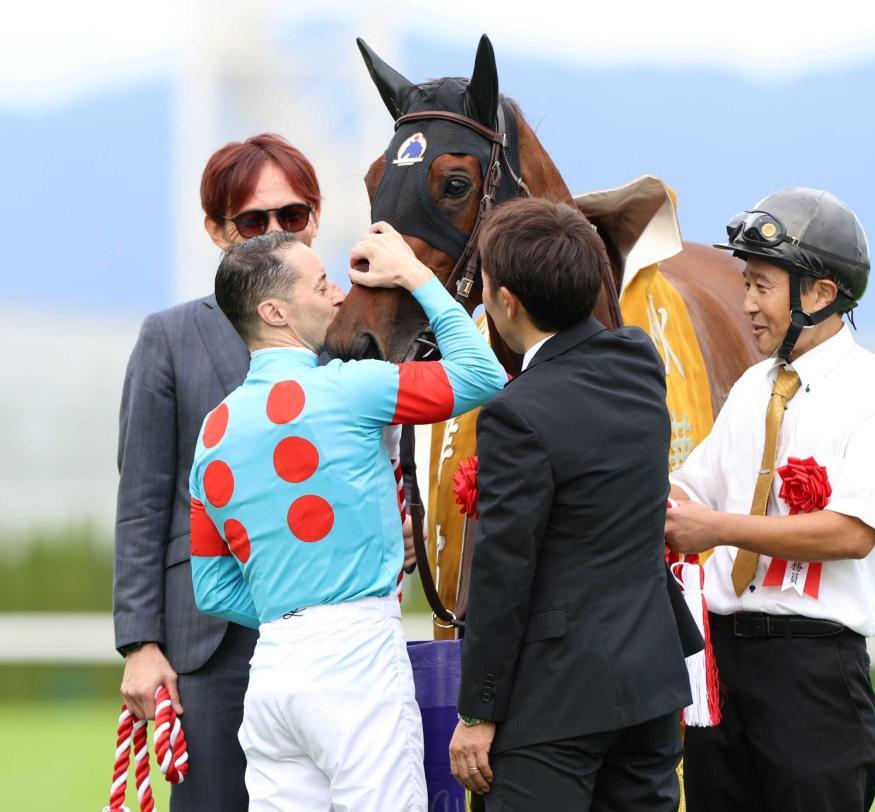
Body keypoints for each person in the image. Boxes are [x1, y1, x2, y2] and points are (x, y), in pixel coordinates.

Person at [189, 225, 505, 811]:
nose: (340, 295)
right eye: (323, 283)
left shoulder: (212, 434)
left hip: (274, 668)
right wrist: (416, 274)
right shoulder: (353, 388)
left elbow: (211, 590)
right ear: (275, 311)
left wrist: (296, 602)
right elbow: (482, 375)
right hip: (357, 657)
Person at [666, 187, 875, 811]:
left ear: (821, 293)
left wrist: (720, 530)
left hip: (815, 674)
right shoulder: (754, 388)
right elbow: (687, 493)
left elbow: (852, 533)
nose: (746, 304)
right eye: (745, 284)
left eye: (761, 286)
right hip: (721, 669)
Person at [114, 133, 339, 810]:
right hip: (207, 643)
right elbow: (143, 499)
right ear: (216, 230)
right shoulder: (170, 336)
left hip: (329, 631)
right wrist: (140, 643)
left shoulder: (349, 331)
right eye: (251, 220)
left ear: (316, 218)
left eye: (291, 216)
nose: (274, 233)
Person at [450, 198, 693, 811]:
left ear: (507, 301)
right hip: (649, 684)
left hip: (552, 699)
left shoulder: (516, 412)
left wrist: (478, 709)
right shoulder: (640, 362)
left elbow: (504, 572)